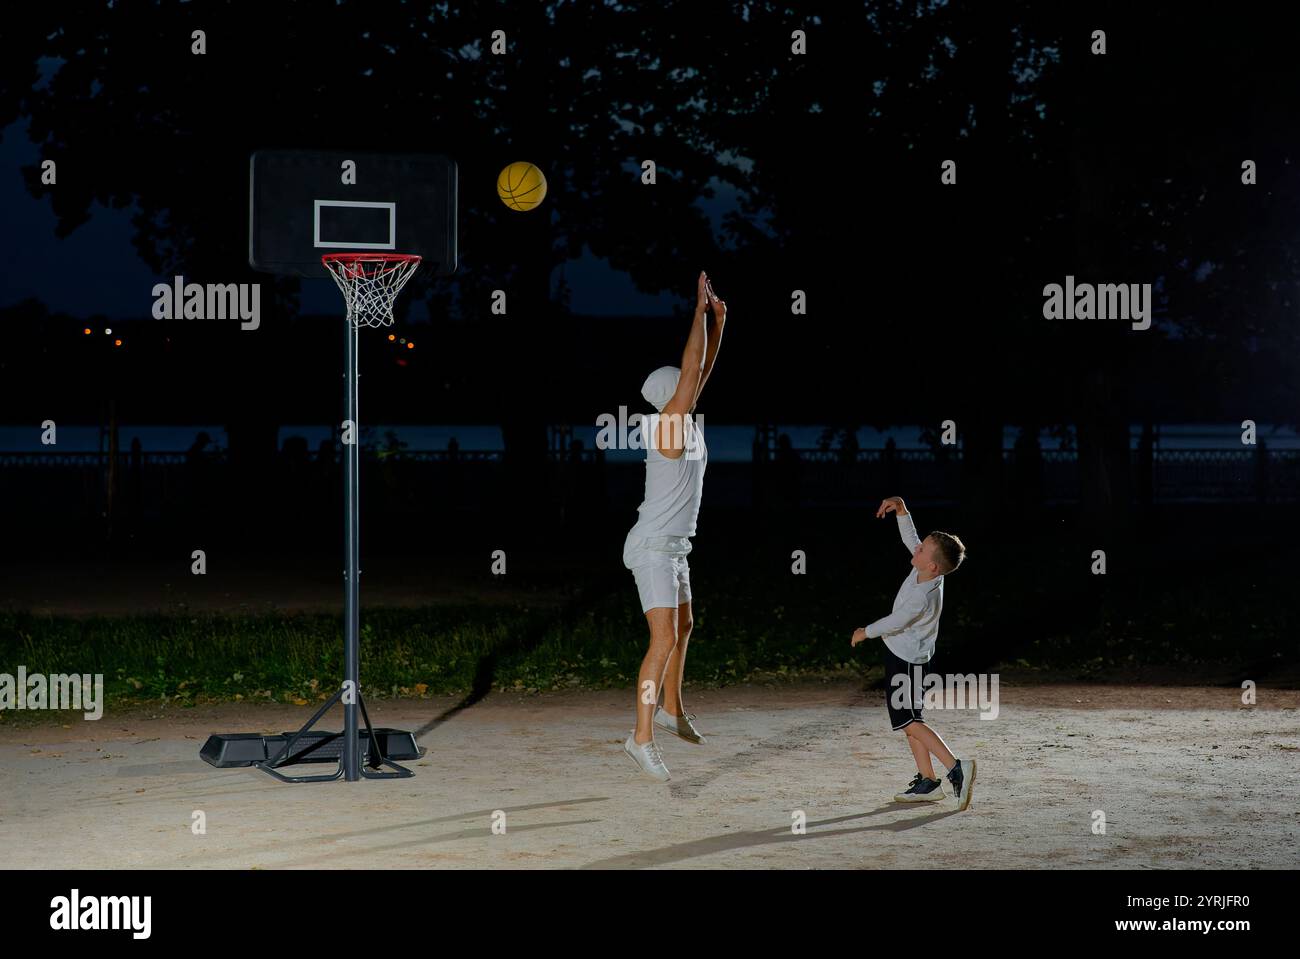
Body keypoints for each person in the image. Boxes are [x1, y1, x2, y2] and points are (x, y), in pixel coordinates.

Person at [622, 271, 727, 781]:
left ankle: (672, 710)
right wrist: (696, 314)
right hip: (652, 550)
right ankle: (640, 738)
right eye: (682, 389)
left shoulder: (684, 425)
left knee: (685, 627)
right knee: (662, 640)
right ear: (671, 397)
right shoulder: (665, 427)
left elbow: (698, 371)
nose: (691, 389)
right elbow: (691, 372)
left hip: (675, 548)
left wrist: (719, 321)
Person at [851, 495, 976, 810]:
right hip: (911, 657)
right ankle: (927, 781)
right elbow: (913, 539)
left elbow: (896, 621)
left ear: (932, 565)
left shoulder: (922, 596)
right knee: (911, 721)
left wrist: (866, 631)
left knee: (909, 722)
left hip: (906, 661)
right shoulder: (929, 571)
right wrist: (903, 511)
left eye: (922, 549)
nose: (916, 547)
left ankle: (955, 767)